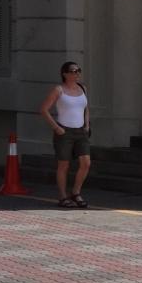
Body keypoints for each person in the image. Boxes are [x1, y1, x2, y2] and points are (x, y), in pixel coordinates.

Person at [38, 61, 91, 208]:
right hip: (64, 131)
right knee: (64, 165)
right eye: (73, 71)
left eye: (78, 71)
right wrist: (56, 128)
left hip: (81, 131)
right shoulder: (59, 90)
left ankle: (76, 192)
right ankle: (63, 196)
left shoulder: (83, 88)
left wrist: (87, 125)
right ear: (65, 74)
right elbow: (43, 109)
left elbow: (86, 108)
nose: (77, 74)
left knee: (86, 163)